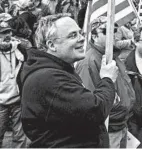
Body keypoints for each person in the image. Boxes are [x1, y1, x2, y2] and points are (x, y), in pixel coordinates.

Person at [19, 14, 118, 148]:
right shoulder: (49, 78)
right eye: (72, 35)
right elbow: (95, 110)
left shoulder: (56, 70)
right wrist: (107, 80)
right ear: (51, 45)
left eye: (80, 33)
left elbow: (80, 108)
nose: (82, 39)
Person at [76, 17, 136, 148]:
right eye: (106, 31)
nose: (112, 35)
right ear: (95, 36)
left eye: (114, 30)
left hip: (121, 123)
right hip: (108, 128)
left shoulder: (113, 56)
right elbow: (88, 102)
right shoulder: (88, 61)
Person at [0, 19, 28, 148]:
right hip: (1, 103)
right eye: (2, 33)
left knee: (20, 137)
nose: (6, 36)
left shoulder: (20, 49)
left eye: (8, 32)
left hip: (18, 100)